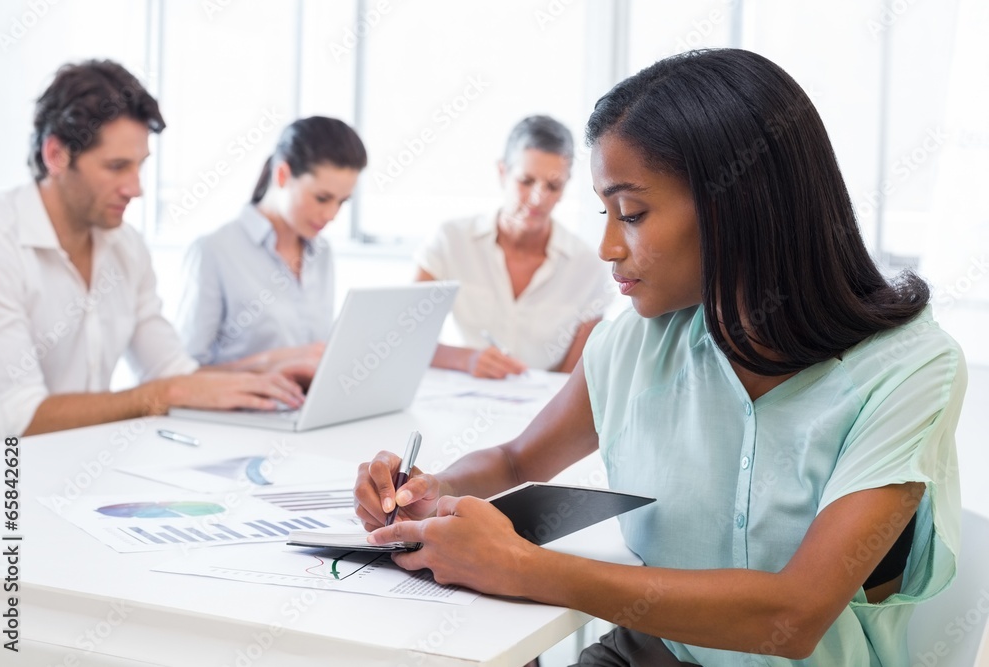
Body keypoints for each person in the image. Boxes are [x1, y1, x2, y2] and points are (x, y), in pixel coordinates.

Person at [355, 49, 967, 665]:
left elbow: (794, 613)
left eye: (633, 213)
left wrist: (525, 568)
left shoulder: (907, 369)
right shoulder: (635, 341)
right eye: (605, 212)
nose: (607, 246)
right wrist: (432, 493)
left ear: (738, 205)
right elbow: (518, 457)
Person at [0, 60, 306, 440]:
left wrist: (273, 369)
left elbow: (172, 372)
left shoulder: (126, 246)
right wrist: (160, 394)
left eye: (139, 166)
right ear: (56, 155)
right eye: (116, 166)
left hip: (85, 472)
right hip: (9, 484)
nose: (135, 188)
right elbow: (15, 419)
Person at [415, 115, 613, 379]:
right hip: (464, 397)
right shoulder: (451, 241)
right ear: (502, 173)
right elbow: (407, 339)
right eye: (526, 181)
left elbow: (570, 382)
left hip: (541, 409)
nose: (538, 198)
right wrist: (468, 359)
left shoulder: (588, 267)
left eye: (552, 186)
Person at [176, 117, 366, 369]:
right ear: (283, 175)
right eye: (322, 198)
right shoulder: (214, 251)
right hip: (241, 409)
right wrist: (267, 364)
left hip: (307, 406)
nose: (332, 215)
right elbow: (182, 374)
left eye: (342, 202)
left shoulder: (321, 252)